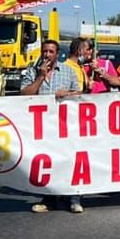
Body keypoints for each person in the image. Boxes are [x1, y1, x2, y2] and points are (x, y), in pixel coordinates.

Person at [19, 39, 85, 214]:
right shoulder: (32, 71)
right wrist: (41, 77)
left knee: (68, 159)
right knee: (47, 161)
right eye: (45, 51)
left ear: (57, 54)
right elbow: (24, 94)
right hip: (42, 126)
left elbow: (79, 94)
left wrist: (66, 95)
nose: (47, 55)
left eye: (51, 52)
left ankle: (73, 197)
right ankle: (49, 198)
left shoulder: (68, 71)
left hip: (64, 125)